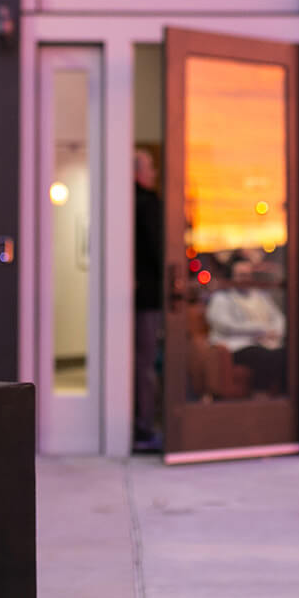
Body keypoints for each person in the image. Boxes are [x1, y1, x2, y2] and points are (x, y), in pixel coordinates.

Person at [203, 256, 286, 395]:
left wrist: (275, 332)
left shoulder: (260, 296)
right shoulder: (221, 298)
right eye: (241, 275)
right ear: (231, 277)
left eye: (248, 275)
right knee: (268, 357)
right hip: (236, 347)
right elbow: (227, 326)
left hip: (266, 343)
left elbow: (279, 319)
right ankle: (266, 397)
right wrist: (262, 331)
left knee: (286, 354)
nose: (245, 279)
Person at [132, 148, 163, 452]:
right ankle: (143, 427)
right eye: (150, 167)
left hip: (132, 297)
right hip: (148, 298)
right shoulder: (148, 204)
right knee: (145, 365)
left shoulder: (119, 202)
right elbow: (159, 251)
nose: (154, 173)